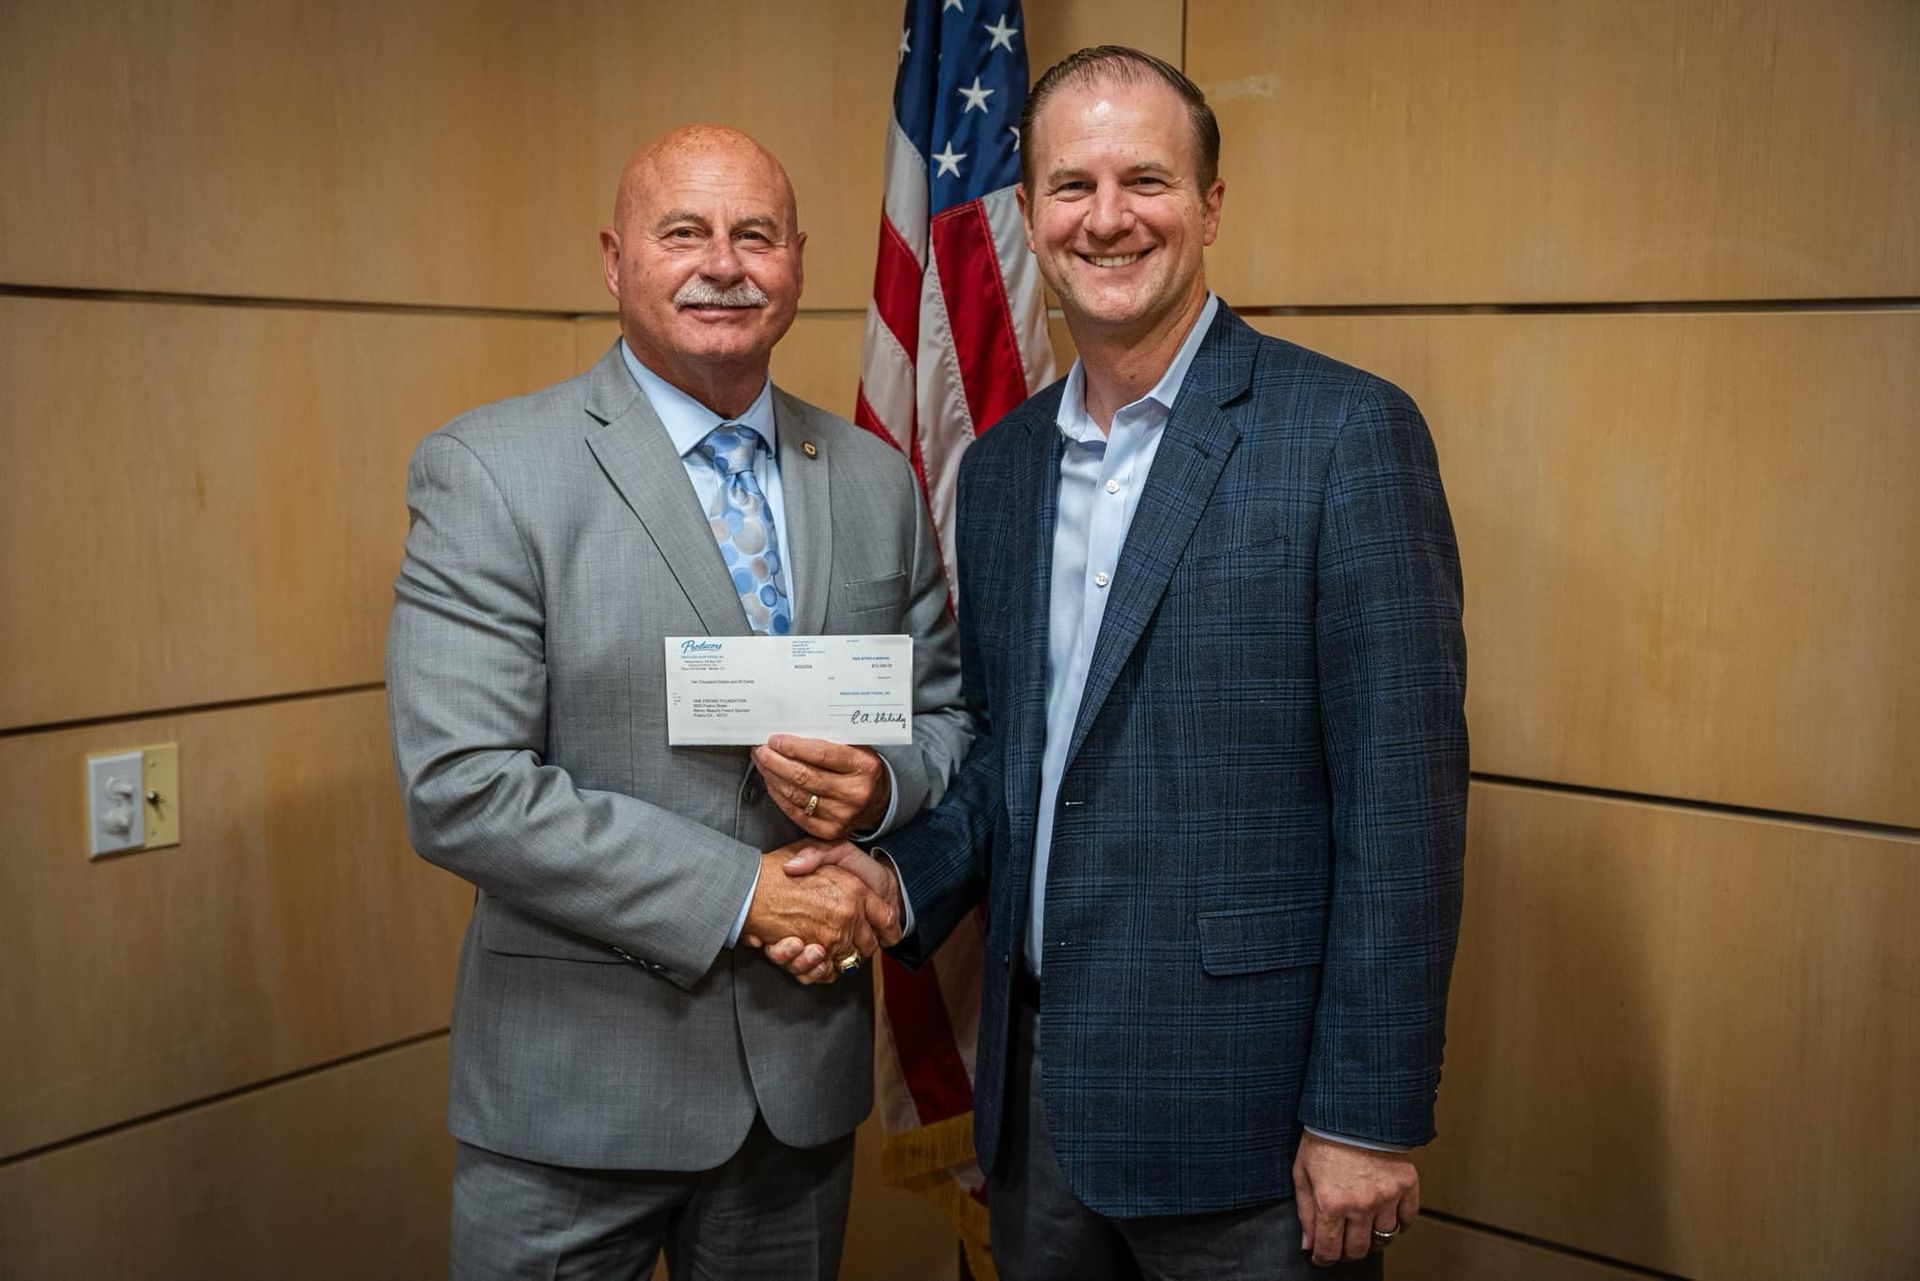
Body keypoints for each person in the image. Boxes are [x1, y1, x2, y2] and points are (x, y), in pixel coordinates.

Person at [777, 47, 1468, 1279]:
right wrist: (895, 885)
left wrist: (1363, 1113)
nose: (1107, 218)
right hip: (1038, 1108)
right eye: (1070, 186)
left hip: (1256, 1128)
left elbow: (1401, 799)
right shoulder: (1002, 471)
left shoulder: (1346, 434)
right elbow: (1005, 759)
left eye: (1145, 180)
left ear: (1209, 205)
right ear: (1030, 217)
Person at [385, 123, 972, 1280]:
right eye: (685, 233)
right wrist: (742, 897)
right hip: (572, 1105)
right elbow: (463, 788)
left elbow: (942, 716)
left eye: (756, 235)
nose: (725, 264)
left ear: (798, 260)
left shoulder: (872, 478)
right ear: (614, 260)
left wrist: (885, 778)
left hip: (796, 1099)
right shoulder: (493, 470)